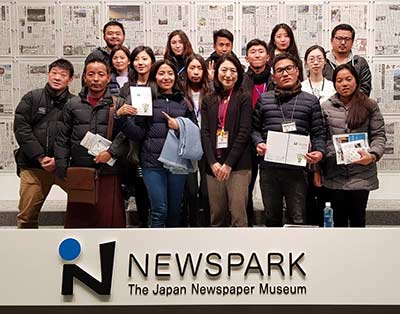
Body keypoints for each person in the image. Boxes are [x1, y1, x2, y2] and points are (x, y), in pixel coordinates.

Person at [117, 59, 196, 228]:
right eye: (161, 73)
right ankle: (156, 249)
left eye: (170, 73)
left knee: (176, 210)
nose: (166, 77)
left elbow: (195, 131)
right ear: (154, 77)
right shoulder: (147, 99)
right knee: (159, 209)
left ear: (176, 77)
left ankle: (173, 250)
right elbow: (138, 134)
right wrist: (121, 118)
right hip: (152, 164)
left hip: (178, 164)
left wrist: (179, 126)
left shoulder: (184, 101)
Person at [251, 53, 326, 227]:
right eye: (280, 70)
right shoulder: (264, 99)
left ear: (297, 71)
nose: (285, 73)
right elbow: (254, 129)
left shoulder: (311, 101)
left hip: (297, 170)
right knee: (271, 217)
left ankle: (296, 253)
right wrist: (258, 143)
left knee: (297, 217)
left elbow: (318, 133)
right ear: (274, 76)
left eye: (289, 68)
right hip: (269, 169)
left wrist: (320, 152)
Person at [55, 58, 126, 228]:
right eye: (91, 74)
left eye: (101, 74)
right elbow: (62, 138)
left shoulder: (119, 104)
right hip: (80, 170)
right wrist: (62, 168)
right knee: (79, 223)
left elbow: (125, 135)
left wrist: (111, 152)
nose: (96, 79)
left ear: (108, 78)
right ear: (84, 77)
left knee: (109, 222)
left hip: (109, 171)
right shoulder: (72, 105)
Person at [321, 64, 386, 227]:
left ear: (356, 81)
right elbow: (321, 138)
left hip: (362, 175)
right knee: (338, 222)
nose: (344, 84)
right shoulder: (326, 107)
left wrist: (372, 155)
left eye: (348, 79)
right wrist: (333, 152)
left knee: (358, 221)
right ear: (334, 84)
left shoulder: (369, 105)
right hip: (335, 175)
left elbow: (379, 135)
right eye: (339, 80)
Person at [14, 59, 75, 228]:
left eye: (63, 75)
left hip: (64, 166)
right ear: (48, 74)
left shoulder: (75, 103)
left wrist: (59, 159)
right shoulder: (32, 98)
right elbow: (21, 129)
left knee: (82, 206)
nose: (57, 78)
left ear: (70, 79)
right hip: (33, 166)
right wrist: (40, 157)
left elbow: (76, 136)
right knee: (27, 217)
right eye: (54, 73)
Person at [201, 53, 252, 227]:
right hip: (213, 167)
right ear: (216, 73)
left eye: (233, 70)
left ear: (239, 74)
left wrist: (229, 163)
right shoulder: (208, 99)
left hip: (237, 166)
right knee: (217, 216)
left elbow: (244, 132)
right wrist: (212, 162)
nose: (228, 75)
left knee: (238, 216)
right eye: (224, 70)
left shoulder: (244, 97)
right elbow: (205, 132)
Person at [117, 46, 156, 227]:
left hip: (156, 142)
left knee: (155, 188)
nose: (141, 63)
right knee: (140, 186)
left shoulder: (158, 84)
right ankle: (142, 222)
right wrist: (122, 111)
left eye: (145, 59)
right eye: (137, 59)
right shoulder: (127, 88)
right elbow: (119, 114)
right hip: (134, 144)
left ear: (152, 62)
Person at [301, 45, 336, 226]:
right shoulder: (300, 87)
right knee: (306, 191)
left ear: (325, 61)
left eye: (319, 58)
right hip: (304, 145)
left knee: (325, 190)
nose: (315, 62)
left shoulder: (332, 86)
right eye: (311, 58)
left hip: (328, 144)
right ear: (306, 63)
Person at [241, 38, 273, 226]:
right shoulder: (241, 80)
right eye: (253, 52)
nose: (257, 55)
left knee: (271, 186)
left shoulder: (275, 79)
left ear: (268, 56)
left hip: (270, 138)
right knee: (246, 185)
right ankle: (248, 224)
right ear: (247, 58)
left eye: (261, 51)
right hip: (247, 139)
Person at [182, 54, 211, 227]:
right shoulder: (180, 92)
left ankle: (207, 226)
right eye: (192, 68)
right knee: (190, 190)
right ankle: (191, 225)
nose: (196, 72)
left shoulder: (212, 90)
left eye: (199, 68)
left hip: (208, 145)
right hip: (189, 145)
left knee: (207, 191)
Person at [323, 23, 372, 96]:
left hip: (354, 106)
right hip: (327, 105)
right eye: (339, 38)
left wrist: (346, 103)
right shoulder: (323, 62)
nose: (343, 42)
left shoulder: (360, 63)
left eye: (347, 39)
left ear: (352, 42)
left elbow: (365, 89)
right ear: (332, 40)